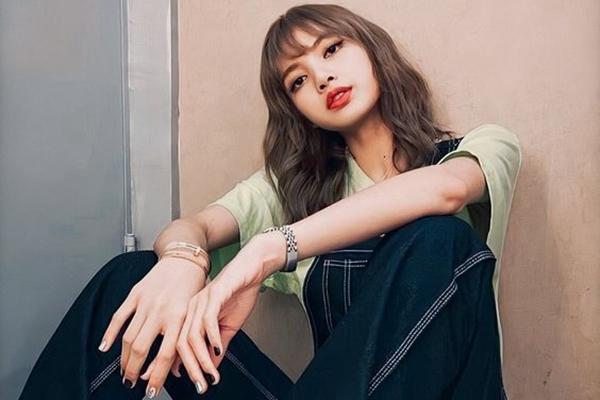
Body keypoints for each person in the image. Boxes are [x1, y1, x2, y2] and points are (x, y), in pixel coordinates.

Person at [19, 4, 521, 399]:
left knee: (439, 238)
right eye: (298, 80)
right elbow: (194, 227)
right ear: (296, 108)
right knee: (131, 277)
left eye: (332, 49)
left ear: (373, 49)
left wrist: (268, 250)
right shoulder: (295, 192)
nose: (321, 78)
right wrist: (182, 259)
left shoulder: (479, 149)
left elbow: (444, 190)